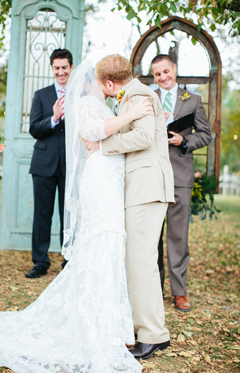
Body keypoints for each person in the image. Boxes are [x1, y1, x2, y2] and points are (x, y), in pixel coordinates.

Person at [0, 62, 153, 372]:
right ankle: (96, 320)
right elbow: (92, 131)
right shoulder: (88, 103)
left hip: (111, 176)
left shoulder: (104, 104)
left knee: (109, 242)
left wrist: (119, 125)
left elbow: (104, 137)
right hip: (100, 180)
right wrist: (131, 116)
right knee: (104, 238)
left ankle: (107, 318)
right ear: (104, 82)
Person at [89, 54, 175, 360]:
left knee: (141, 261)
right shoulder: (135, 94)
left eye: (104, 86)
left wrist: (103, 146)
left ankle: (152, 334)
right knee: (140, 260)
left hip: (146, 186)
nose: (106, 91)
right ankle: (153, 331)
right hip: (143, 186)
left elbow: (141, 137)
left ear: (111, 83)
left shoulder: (137, 95)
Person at [150, 54, 212, 312]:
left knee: (178, 236)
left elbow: (206, 135)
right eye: (157, 74)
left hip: (180, 176)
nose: (162, 77)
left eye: (166, 71)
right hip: (151, 175)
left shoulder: (193, 100)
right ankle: (153, 288)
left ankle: (179, 292)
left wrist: (184, 141)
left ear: (175, 69)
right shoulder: (148, 98)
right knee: (152, 236)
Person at [26, 48, 72, 278]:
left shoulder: (80, 95)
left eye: (64, 67)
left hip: (70, 165)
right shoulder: (41, 95)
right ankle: (40, 262)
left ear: (71, 68)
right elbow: (34, 129)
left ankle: (68, 261)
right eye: (57, 68)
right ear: (52, 69)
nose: (61, 72)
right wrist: (53, 118)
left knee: (69, 215)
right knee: (42, 215)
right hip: (43, 164)